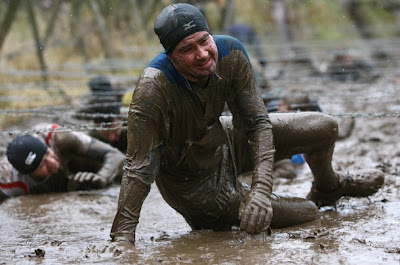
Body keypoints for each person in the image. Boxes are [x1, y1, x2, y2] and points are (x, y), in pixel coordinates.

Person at [110, 3, 384, 244]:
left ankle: (329, 187)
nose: (203, 54)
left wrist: (261, 190)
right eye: (187, 49)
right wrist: (123, 238)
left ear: (210, 35)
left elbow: (257, 125)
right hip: (192, 182)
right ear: (170, 56)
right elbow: (139, 167)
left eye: (204, 41)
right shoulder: (153, 88)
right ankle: (232, 212)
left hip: (224, 138)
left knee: (324, 127)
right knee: (308, 213)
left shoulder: (231, 53)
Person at [0, 124, 125, 201]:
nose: (51, 162)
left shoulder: (59, 137)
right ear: (27, 174)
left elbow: (116, 155)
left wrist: (103, 176)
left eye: (48, 153)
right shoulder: (9, 181)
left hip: (73, 160)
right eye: (42, 165)